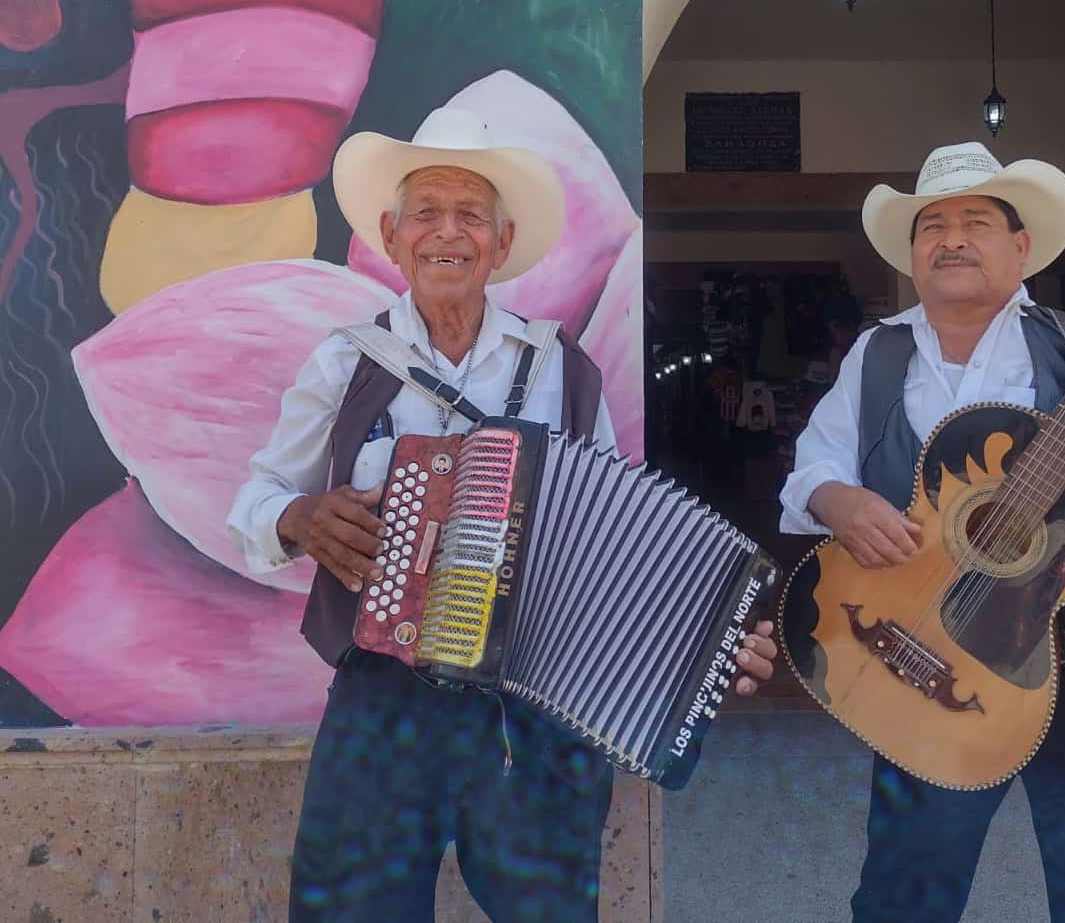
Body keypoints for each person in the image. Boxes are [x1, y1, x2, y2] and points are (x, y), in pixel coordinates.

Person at [226, 106, 778, 923]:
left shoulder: (564, 369)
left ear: (501, 241)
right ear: (391, 232)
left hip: (532, 715)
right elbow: (254, 502)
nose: (446, 233)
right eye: (426, 212)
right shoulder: (346, 361)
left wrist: (706, 646)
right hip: (385, 704)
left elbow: (618, 546)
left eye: (469, 215)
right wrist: (300, 517)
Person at [779, 141, 1065, 923]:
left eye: (976, 221)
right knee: (901, 897)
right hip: (928, 665)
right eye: (933, 225)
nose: (951, 238)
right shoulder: (876, 354)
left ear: (1020, 248)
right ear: (913, 252)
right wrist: (836, 502)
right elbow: (809, 472)